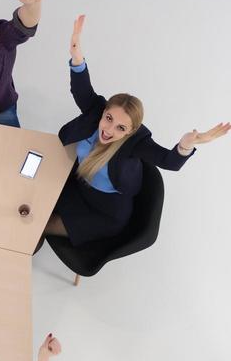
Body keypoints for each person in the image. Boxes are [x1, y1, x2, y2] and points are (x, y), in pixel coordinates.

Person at [44, 15, 231, 246]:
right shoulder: (95, 112)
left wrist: (186, 144)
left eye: (121, 127)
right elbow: (82, 90)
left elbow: (169, 161)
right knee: (30, 209)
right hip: (78, 187)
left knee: (40, 226)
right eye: (108, 118)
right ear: (104, 111)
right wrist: (76, 57)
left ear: (131, 131)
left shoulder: (137, 143)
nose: (109, 129)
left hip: (105, 212)